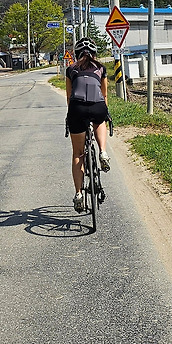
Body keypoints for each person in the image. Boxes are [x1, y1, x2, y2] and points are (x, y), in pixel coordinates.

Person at [64, 37, 111, 212]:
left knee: (78, 153)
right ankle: (103, 152)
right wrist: (105, 112)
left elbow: (69, 96)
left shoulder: (71, 69)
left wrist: (72, 115)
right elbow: (104, 95)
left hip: (77, 108)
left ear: (77, 54)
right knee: (100, 121)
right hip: (97, 105)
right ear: (94, 54)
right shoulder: (101, 68)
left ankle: (78, 194)